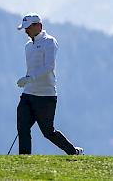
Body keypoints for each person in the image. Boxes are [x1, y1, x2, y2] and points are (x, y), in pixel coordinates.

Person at [15, 12, 83, 155]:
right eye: (25, 28)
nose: (26, 31)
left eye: (28, 27)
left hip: (46, 96)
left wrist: (29, 78)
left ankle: (73, 151)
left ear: (39, 26)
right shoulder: (28, 46)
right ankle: (24, 159)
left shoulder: (49, 42)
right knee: (22, 127)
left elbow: (49, 66)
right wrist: (29, 80)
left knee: (48, 132)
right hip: (28, 94)